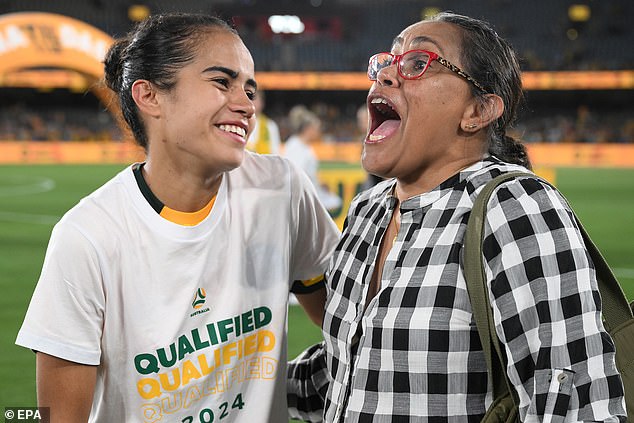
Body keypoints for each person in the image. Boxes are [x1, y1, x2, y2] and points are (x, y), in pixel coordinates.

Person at [288, 12, 627, 422]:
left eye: (418, 64)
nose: (386, 76)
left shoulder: (515, 206)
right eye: (387, 63)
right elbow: (346, 371)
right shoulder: (368, 210)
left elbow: (576, 404)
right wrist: (225, 380)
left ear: (478, 111)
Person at [15, 12, 340, 423]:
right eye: (222, 82)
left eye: (249, 88)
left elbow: (349, 324)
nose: (245, 105)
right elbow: (56, 417)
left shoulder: (280, 189)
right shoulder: (88, 238)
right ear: (149, 96)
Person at [283, 105, 342, 211]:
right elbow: (296, 175)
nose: (318, 132)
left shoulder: (305, 146)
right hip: (302, 195)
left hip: (310, 191)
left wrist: (320, 184)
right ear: (308, 129)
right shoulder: (295, 145)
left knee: (335, 201)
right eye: (316, 128)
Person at [246, 89, 282, 154]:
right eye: (250, 98)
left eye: (255, 98)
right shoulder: (239, 123)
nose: (252, 102)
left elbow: (275, 153)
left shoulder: (270, 126)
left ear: (262, 103)